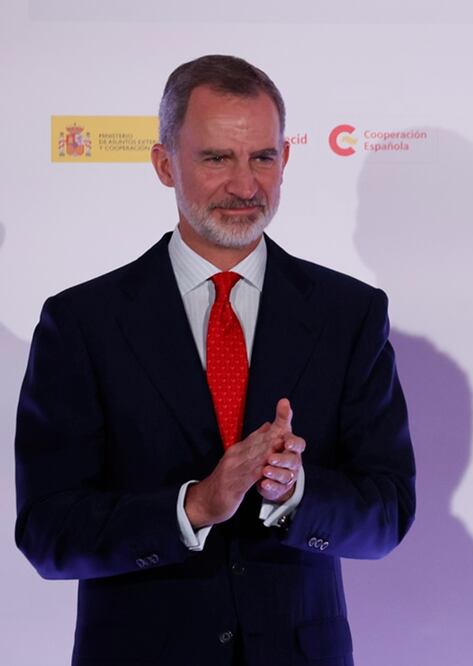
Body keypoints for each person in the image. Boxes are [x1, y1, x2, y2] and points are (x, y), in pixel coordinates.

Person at [14, 55, 416, 666]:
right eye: (216, 158)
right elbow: (48, 533)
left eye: (262, 157)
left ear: (285, 160)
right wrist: (195, 505)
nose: (245, 185)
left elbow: (388, 512)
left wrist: (295, 490)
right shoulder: (82, 323)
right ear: (163, 164)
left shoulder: (349, 314)